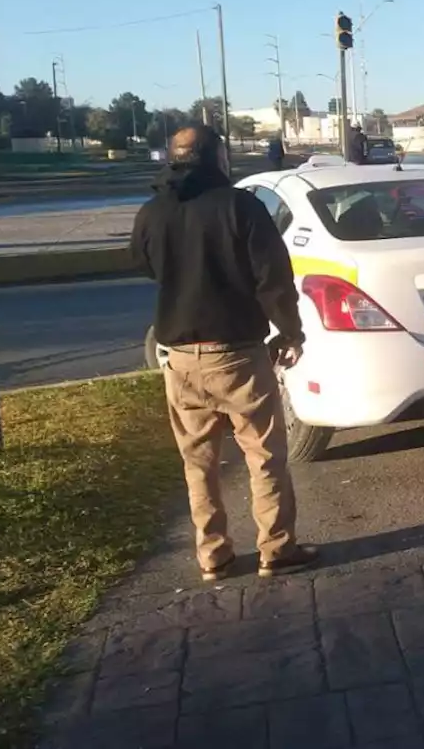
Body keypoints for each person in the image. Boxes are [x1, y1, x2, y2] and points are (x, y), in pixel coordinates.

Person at [130, 123, 317, 581]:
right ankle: (276, 549)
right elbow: (274, 279)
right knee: (265, 456)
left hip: (180, 360)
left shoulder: (152, 212)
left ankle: (213, 557)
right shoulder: (241, 208)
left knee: (198, 462)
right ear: (220, 160)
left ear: (172, 158)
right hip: (237, 356)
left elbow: (141, 263)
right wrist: (291, 333)